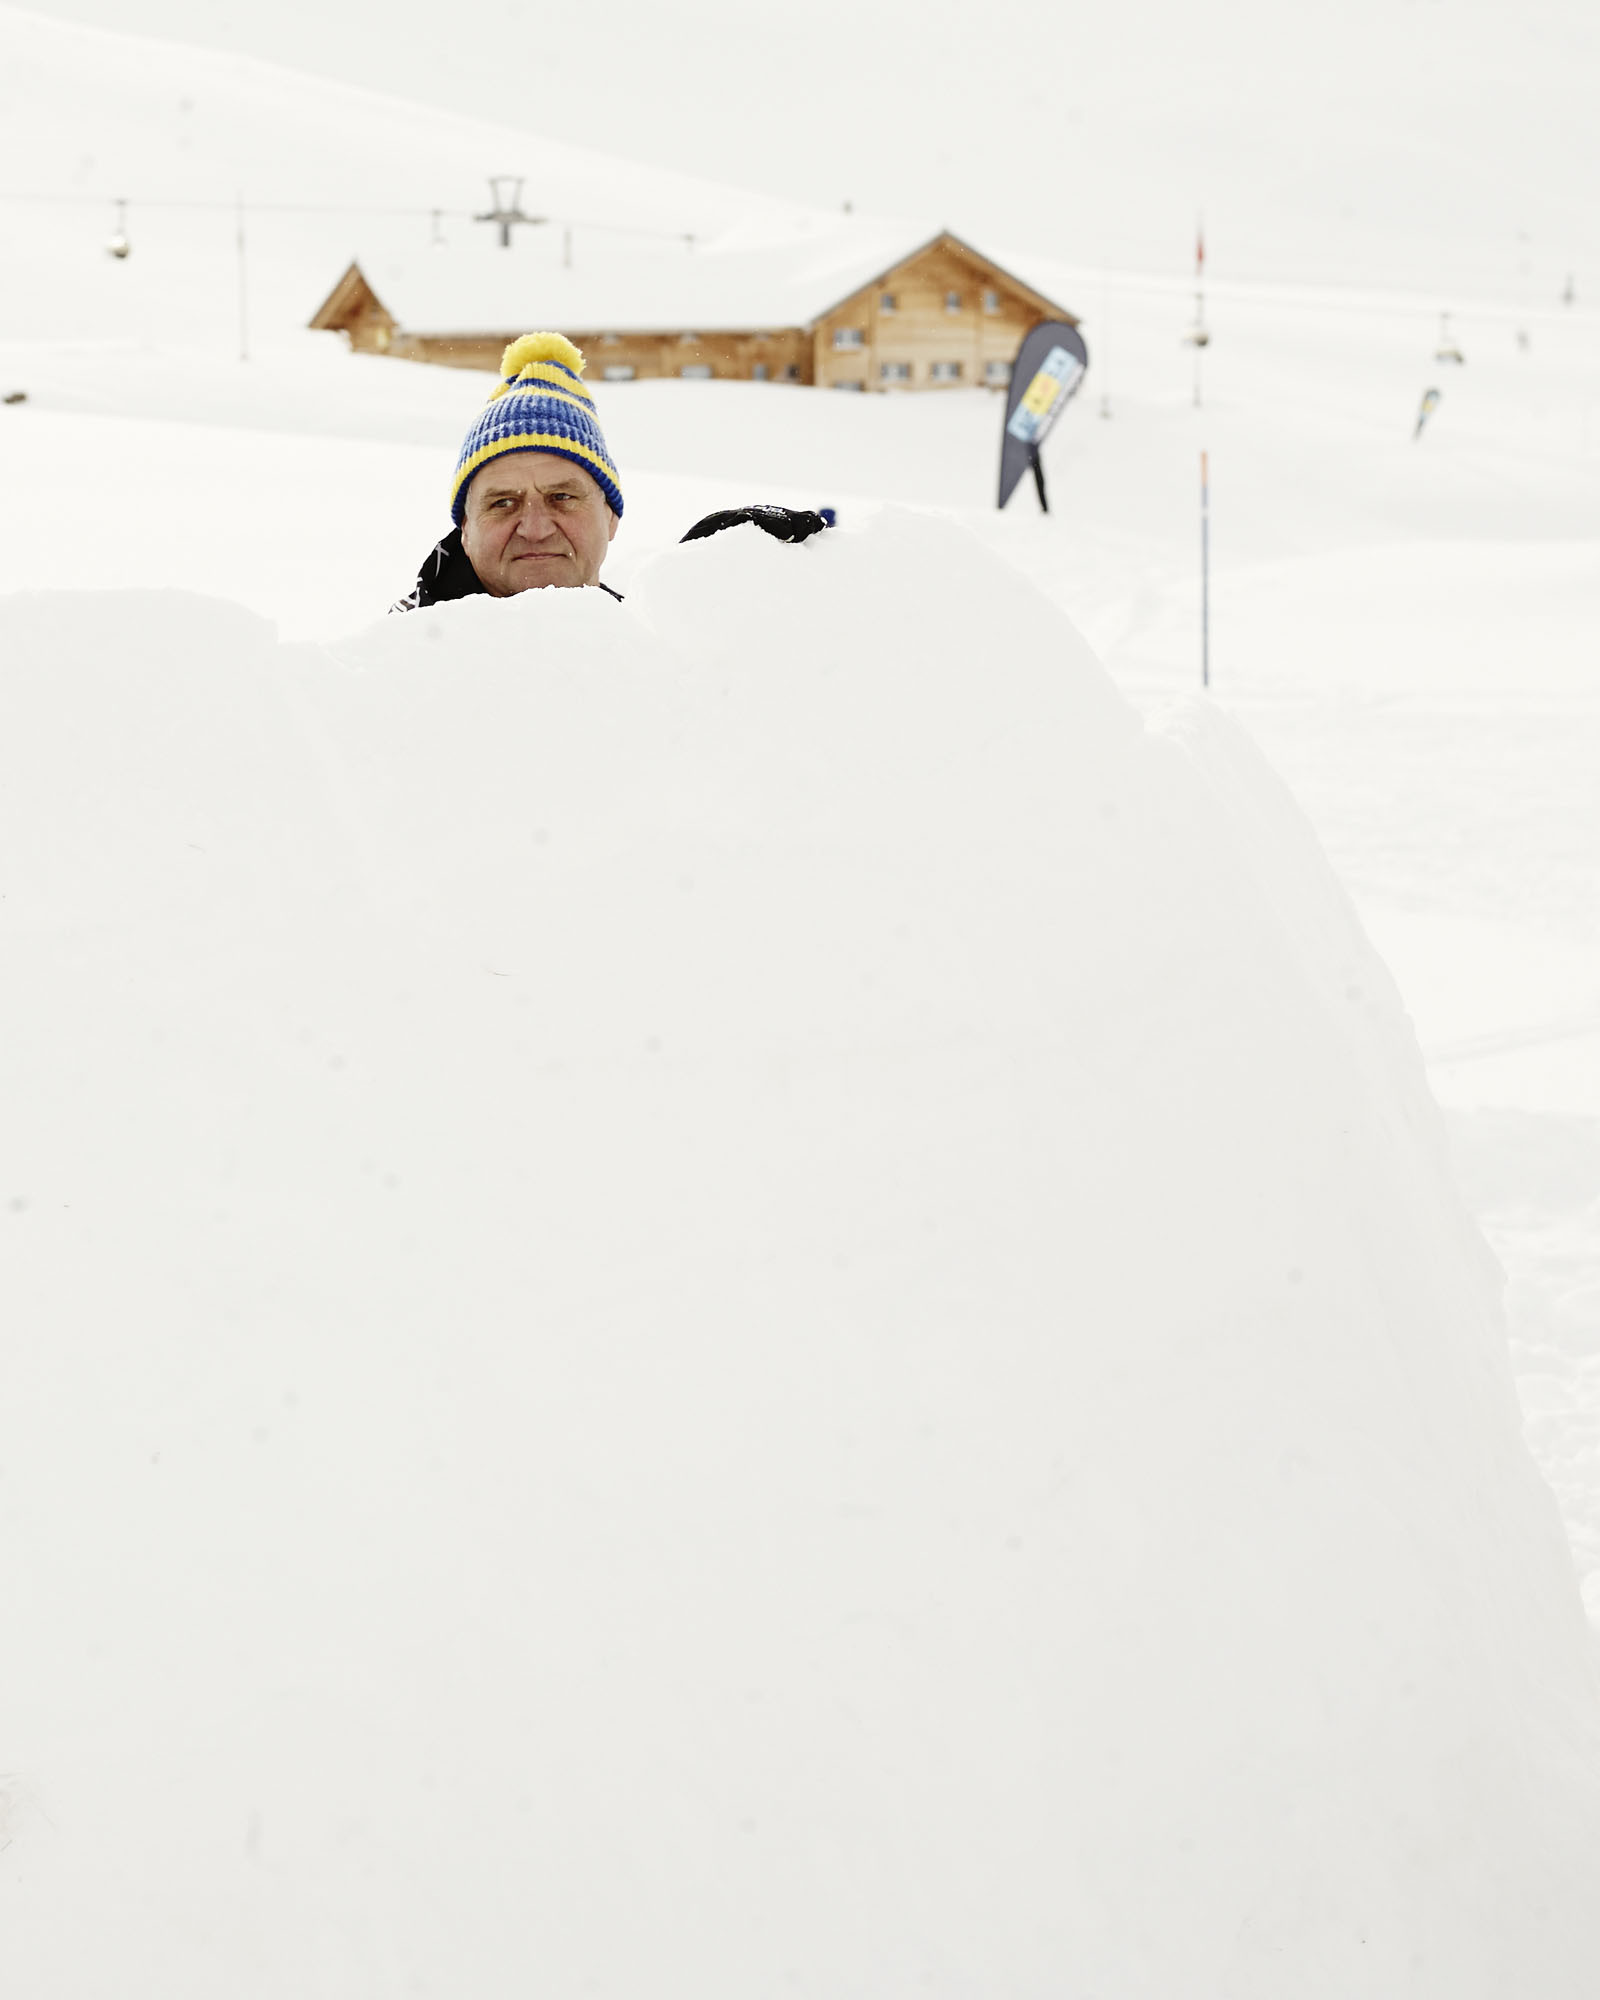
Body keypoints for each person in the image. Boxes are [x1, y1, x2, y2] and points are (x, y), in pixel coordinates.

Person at [391, 331, 835, 614]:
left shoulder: (646, 643)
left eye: (562, 497)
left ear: (611, 518)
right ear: (464, 530)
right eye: (502, 503)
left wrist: (702, 582)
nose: (535, 527)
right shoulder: (395, 667)